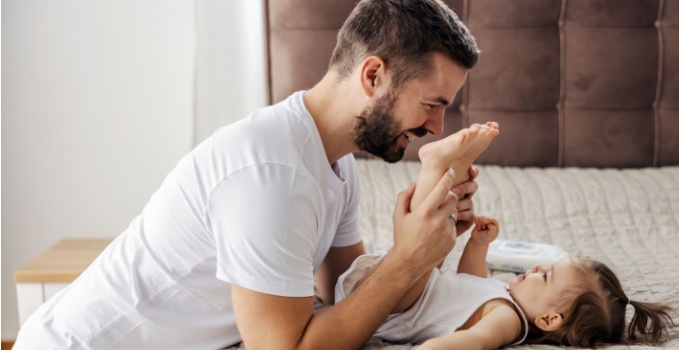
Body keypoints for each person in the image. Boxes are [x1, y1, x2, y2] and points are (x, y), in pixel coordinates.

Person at [14, 0, 481, 349]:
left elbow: (350, 297)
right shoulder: (271, 173)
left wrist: (423, 244)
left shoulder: (335, 162)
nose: (437, 128)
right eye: (432, 104)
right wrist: (404, 258)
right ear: (373, 75)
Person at [335, 125, 674, 349]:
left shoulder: (509, 320)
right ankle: (458, 166)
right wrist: (477, 246)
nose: (537, 268)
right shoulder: (503, 296)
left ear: (549, 319)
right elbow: (468, 284)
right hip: (395, 289)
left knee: (428, 250)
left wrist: (433, 348)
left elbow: (478, 340)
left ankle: (435, 166)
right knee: (438, 239)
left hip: (394, 309)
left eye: (545, 277)